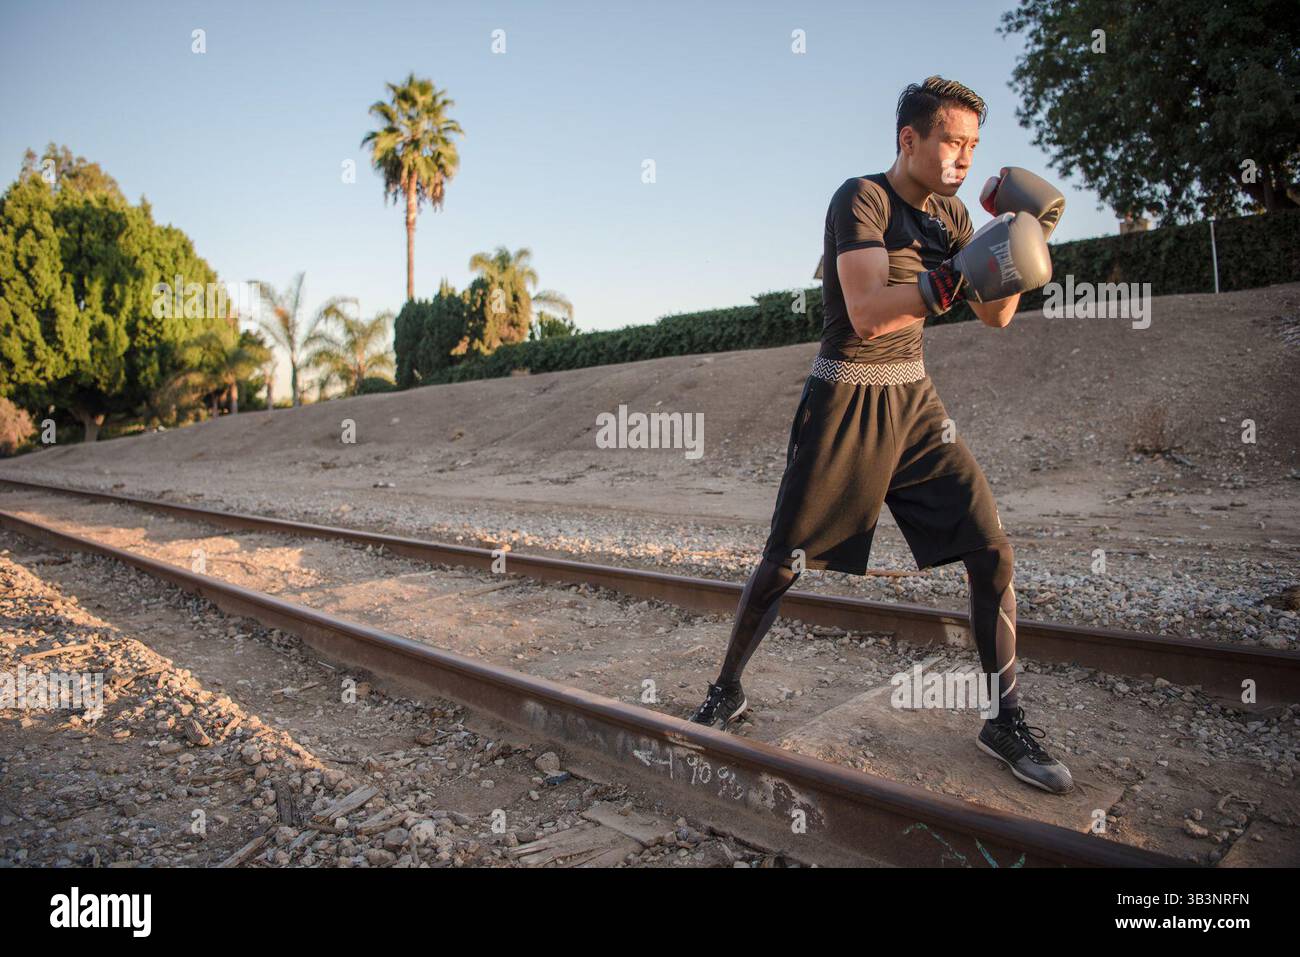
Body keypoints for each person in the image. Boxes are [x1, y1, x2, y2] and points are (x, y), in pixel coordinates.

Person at [688, 75, 1073, 795]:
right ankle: (727, 687)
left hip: (916, 405)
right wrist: (955, 275)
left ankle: (1004, 717)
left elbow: (996, 317)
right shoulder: (860, 198)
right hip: (846, 398)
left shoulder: (955, 216)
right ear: (910, 139)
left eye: (973, 146)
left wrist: (1025, 242)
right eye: (951, 141)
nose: (963, 158)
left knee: (991, 549)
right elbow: (867, 313)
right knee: (784, 562)